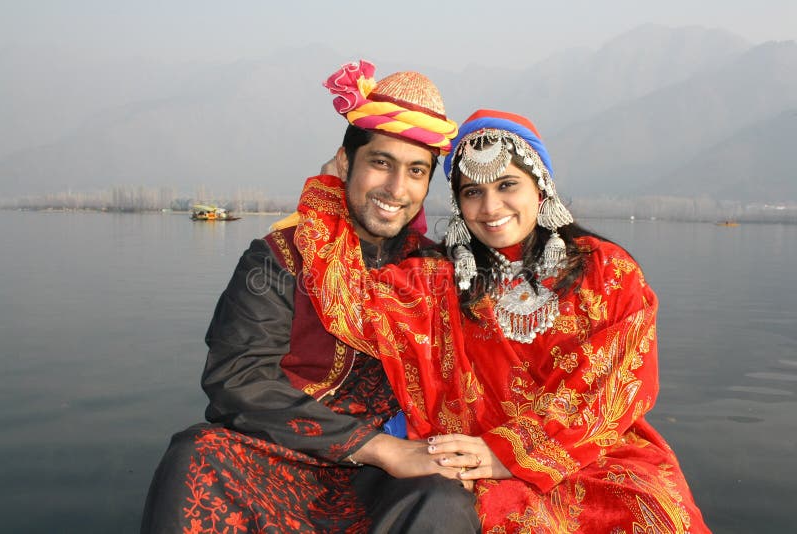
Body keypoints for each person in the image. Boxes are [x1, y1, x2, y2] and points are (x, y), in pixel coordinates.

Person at [294, 109, 711, 532]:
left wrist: (509, 454)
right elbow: (346, 300)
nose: (490, 207)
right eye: (473, 192)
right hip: (477, 467)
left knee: (658, 517)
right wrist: (330, 186)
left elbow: (619, 383)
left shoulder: (606, 271)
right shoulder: (437, 280)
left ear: (541, 185)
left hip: (599, 456)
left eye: (507, 185)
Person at [141, 61, 481, 533]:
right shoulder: (279, 258)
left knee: (444, 501)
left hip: (390, 477)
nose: (396, 189)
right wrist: (380, 448)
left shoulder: (439, 270)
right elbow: (237, 379)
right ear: (346, 163)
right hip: (283, 457)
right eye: (381, 163)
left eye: (416, 171)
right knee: (195, 455)